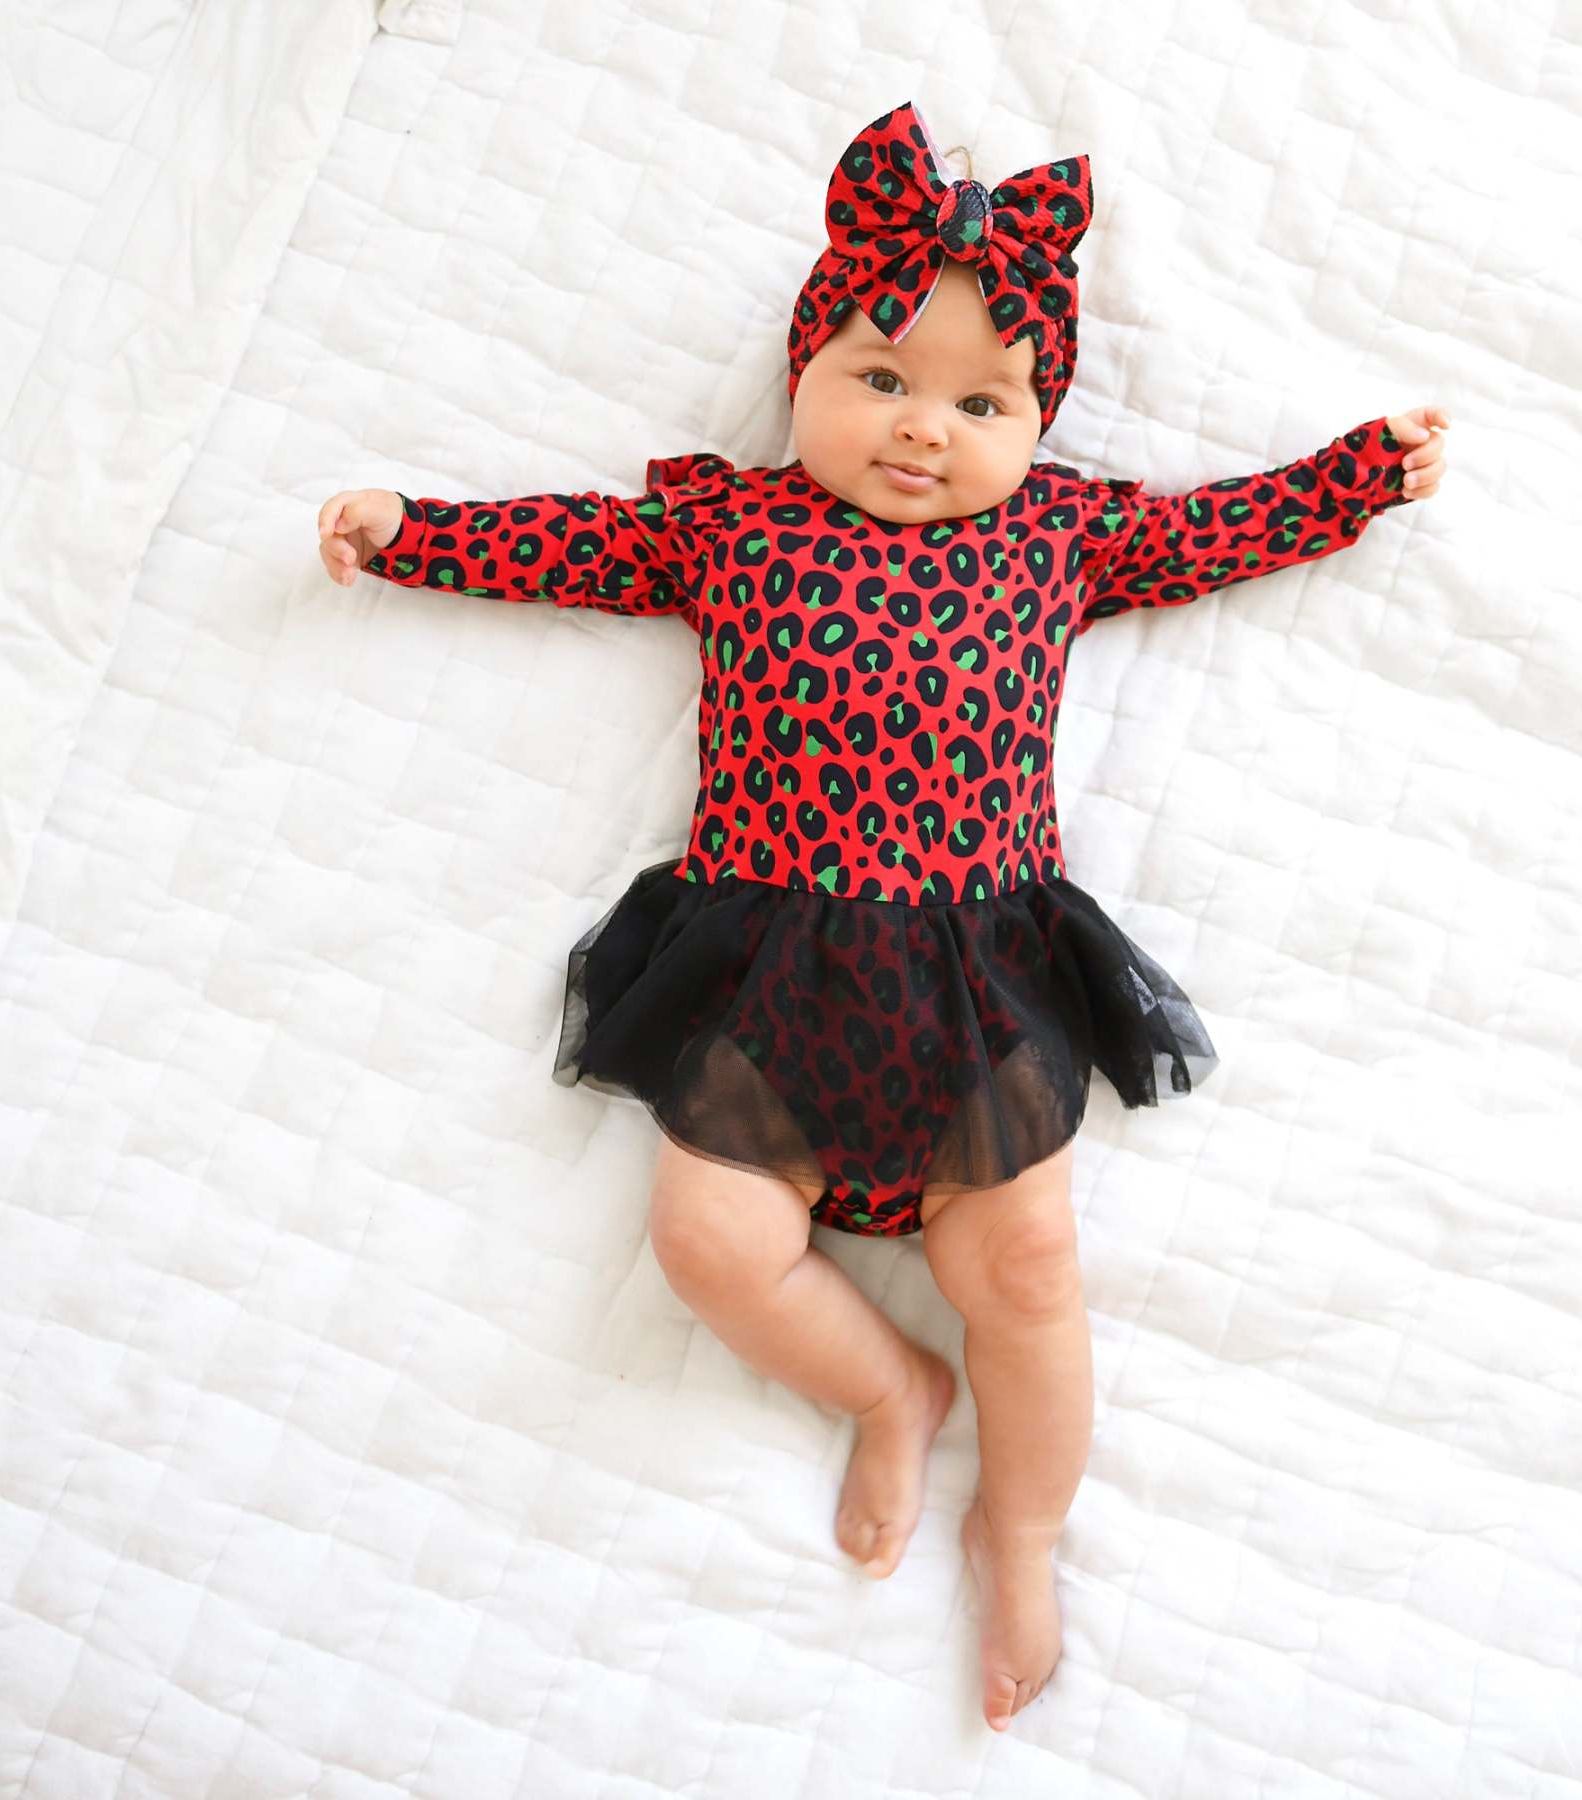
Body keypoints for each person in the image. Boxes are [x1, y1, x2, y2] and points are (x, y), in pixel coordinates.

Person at [314, 97, 1450, 1733]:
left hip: (976, 982)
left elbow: (1215, 530)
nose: (925, 431)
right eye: (882, 379)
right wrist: (411, 534)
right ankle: (888, 1389)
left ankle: (1023, 1532)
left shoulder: (1060, 536)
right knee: (710, 1242)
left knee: (1029, 1271)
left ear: (1038, 426)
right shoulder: (734, 527)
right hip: (768, 974)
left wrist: (1356, 480)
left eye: (983, 404)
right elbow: (571, 544)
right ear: (805, 376)